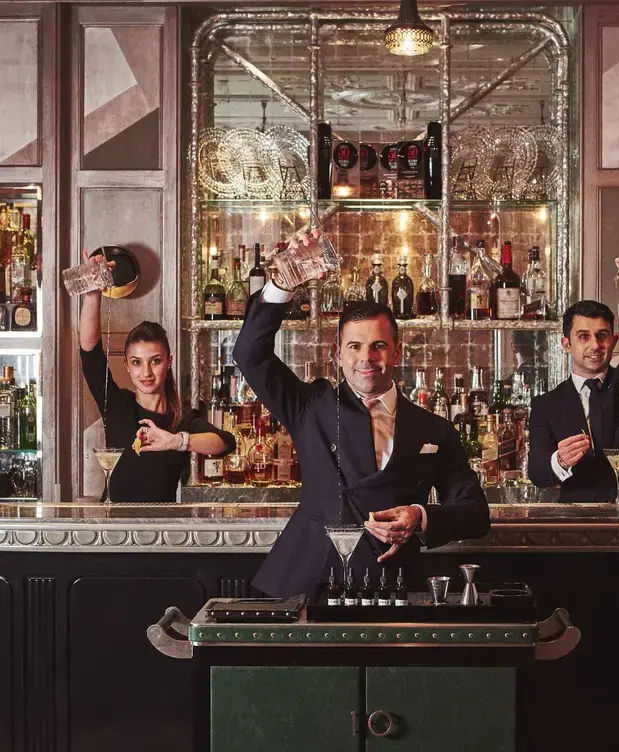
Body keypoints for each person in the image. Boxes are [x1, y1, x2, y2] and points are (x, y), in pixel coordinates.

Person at [233, 261, 490, 599]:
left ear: (396, 352)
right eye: (354, 346)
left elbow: (475, 514)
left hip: (389, 585)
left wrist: (419, 515)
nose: (366, 357)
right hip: (310, 581)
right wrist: (282, 284)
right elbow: (249, 354)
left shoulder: (434, 429)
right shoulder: (310, 407)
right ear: (337, 354)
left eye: (378, 346)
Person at [79, 255, 235, 502]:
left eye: (155, 361)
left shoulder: (181, 419)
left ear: (169, 361)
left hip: (163, 524)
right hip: (114, 523)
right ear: (127, 365)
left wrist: (176, 441)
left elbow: (226, 443)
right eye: (136, 363)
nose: (146, 373)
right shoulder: (117, 405)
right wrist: (92, 294)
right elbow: (90, 352)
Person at [528, 253, 619, 503]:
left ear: (613, 341)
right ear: (566, 344)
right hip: (582, 516)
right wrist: (560, 460)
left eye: (602, 335)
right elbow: (537, 472)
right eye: (583, 336)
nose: (595, 345)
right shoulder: (547, 404)